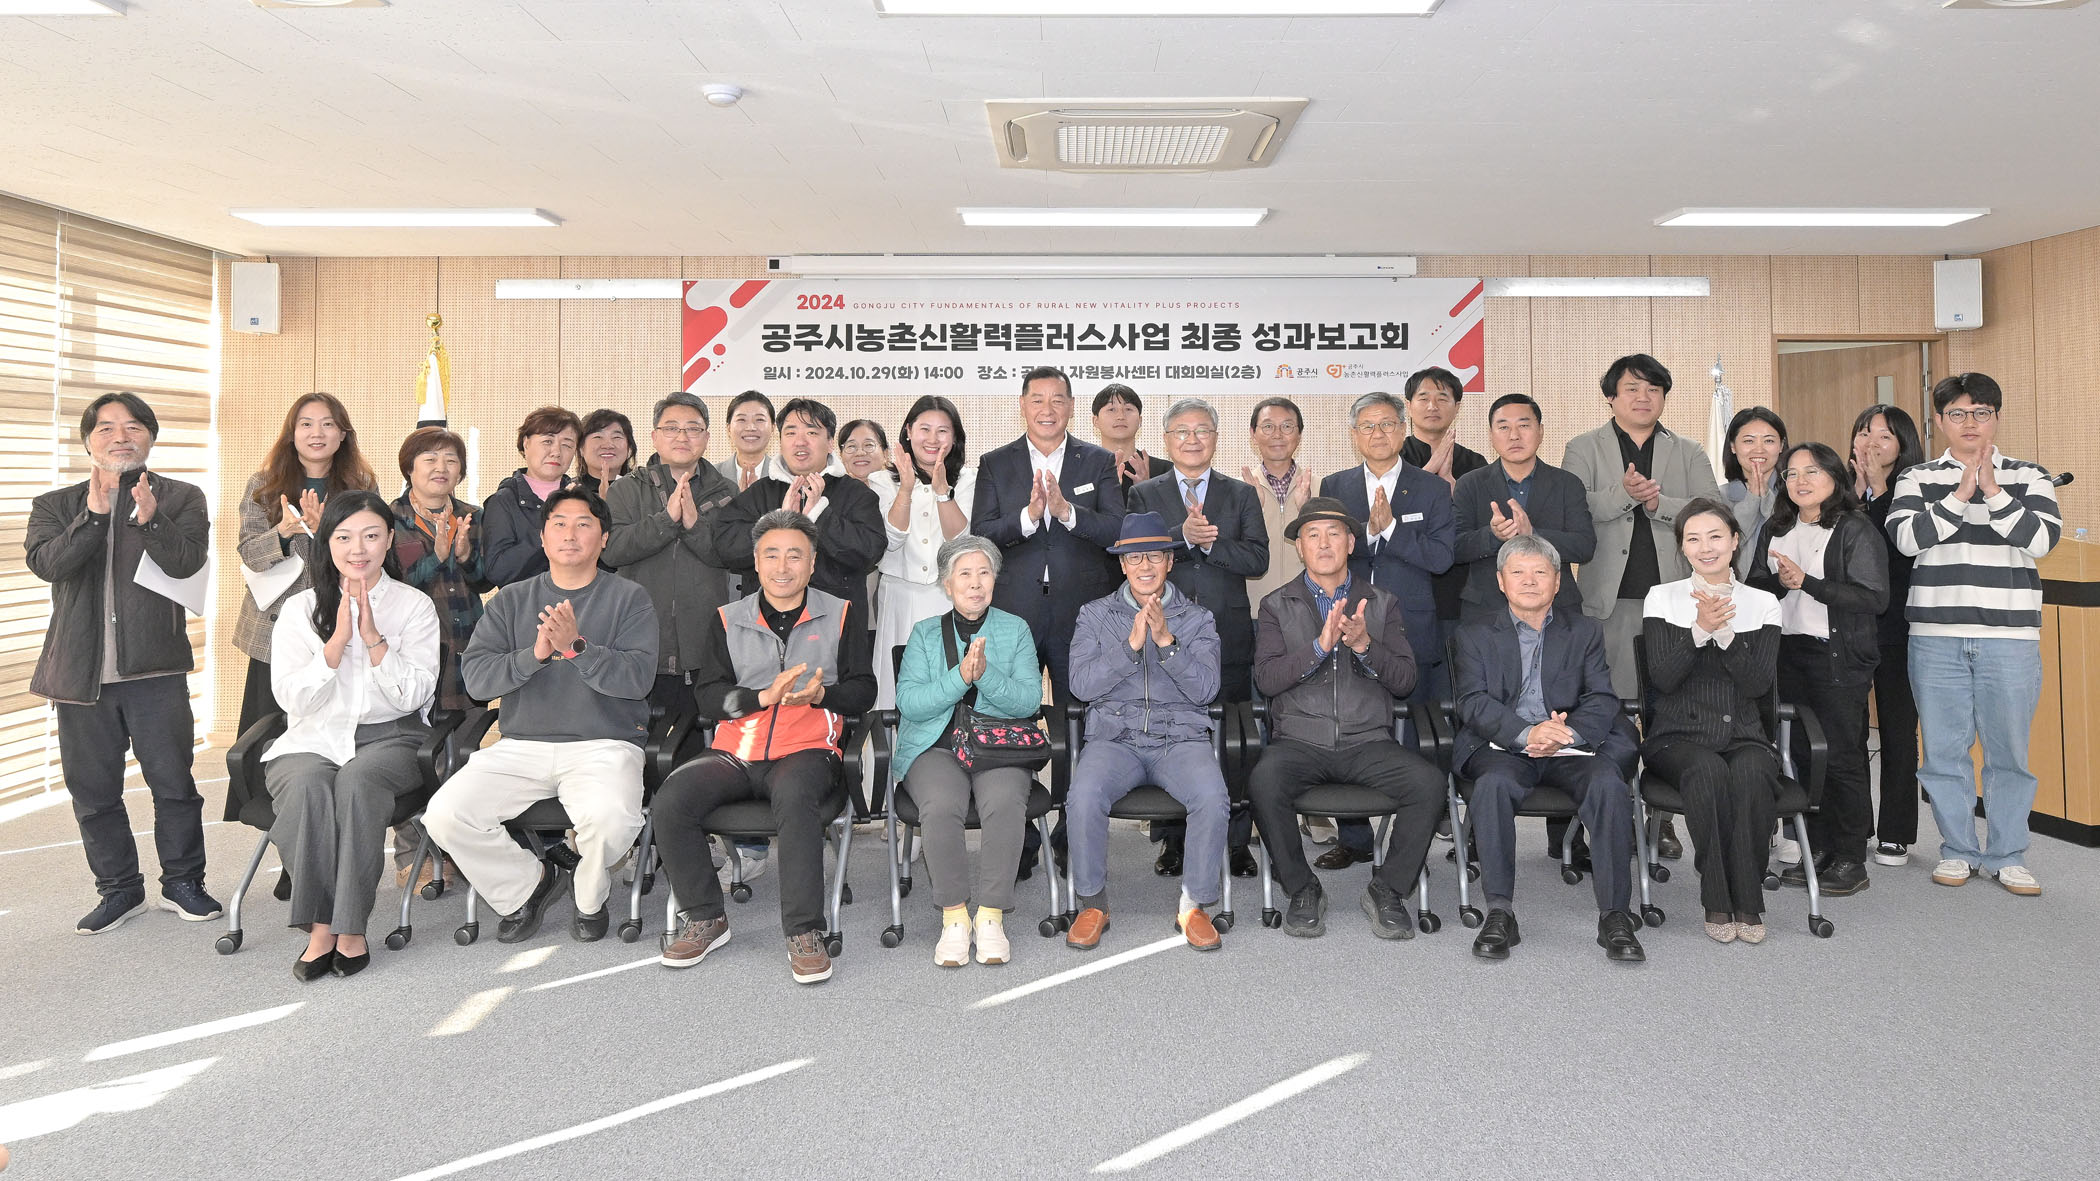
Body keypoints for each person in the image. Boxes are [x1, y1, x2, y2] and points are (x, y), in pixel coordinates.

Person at [422, 488, 658, 944]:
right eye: (559, 524)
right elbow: (478, 681)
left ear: (604, 539)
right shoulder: (510, 600)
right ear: (543, 538)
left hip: (603, 744)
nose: (570, 534)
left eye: (584, 524)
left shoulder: (630, 598)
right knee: (446, 815)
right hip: (522, 745)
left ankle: (589, 897)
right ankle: (529, 885)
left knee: (611, 820)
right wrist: (534, 655)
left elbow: (637, 679)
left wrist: (577, 648)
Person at [654, 510, 877, 984]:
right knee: (672, 797)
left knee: (795, 796)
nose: (782, 566)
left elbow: (864, 690)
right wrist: (760, 698)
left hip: (808, 748)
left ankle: (804, 931)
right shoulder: (727, 619)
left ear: (812, 563)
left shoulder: (841, 613)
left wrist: (821, 695)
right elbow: (708, 696)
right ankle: (705, 916)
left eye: (795, 555)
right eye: (771, 555)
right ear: (755, 563)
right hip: (736, 750)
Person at [27, 392, 219, 934]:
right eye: (106, 427)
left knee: (174, 784)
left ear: (150, 437)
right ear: (88, 440)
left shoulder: (182, 497)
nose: (120, 437)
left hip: (155, 670)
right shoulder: (55, 505)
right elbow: (48, 565)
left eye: (133, 427)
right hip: (80, 673)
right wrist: (93, 516)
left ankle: (183, 882)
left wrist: (152, 521)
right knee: (93, 792)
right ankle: (119, 890)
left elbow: (188, 563)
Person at [1886, 373, 2060, 897]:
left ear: (1996, 418)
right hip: (1935, 636)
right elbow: (1907, 539)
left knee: (2009, 754)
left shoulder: (2029, 476)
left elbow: (2041, 541)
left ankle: (2008, 854)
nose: (1970, 423)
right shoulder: (1916, 477)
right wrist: (1961, 494)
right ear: (1939, 420)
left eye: (1981, 412)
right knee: (1943, 752)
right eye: (1958, 413)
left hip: (2010, 638)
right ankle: (1958, 849)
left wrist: (1993, 492)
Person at [261, 491, 440, 981]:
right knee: (306, 785)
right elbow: (292, 699)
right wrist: (336, 643)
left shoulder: (414, 607)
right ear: (327, 542)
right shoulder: (299, 610)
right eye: (343, 537)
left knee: (358, 782)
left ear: (389, 541)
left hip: (393, 737)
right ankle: (323, 927)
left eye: (370, 536)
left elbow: (414, 695)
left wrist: (373, 639)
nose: (357, 548)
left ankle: (351, 927)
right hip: (314, 735)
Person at [1249, 497, 1445, 940]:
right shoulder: (1276, 605)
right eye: (1312, 535)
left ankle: (1388, 887)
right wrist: (1318, 648)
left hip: (1367, 741)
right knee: (1263, 781)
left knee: (1428, 783)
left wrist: (1364, 646)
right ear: (1300, 547)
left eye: (1334, 534)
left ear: (1351, 543)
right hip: (1300, 740)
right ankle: (1301, 887)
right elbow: (1267, 680)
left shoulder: (1381, 602)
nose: (1323, 544)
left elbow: (1406, 680)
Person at [1454, 535, 1644, 963]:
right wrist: (1527, 733)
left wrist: (1566, 734)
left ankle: (1615, 914)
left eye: (1540, 572)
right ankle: (1500, 912)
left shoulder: (1585, 631)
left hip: (1569, 746)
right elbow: (1472, 701)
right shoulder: (1474, 634)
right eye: (1518, 572)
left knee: (1608, 785)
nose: (1529, 581)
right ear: (1501, 581)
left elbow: (1601, 697)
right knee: (1493, 785)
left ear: (1557, 582)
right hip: (1504, 746)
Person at [1564, 354, 1719, 861]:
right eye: (1631, 388)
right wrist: (1624, 495)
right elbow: (1573, 507)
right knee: (1610, 713)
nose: (1642, 397)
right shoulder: (1583, 447)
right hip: (1609, 603)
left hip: (1673, 604)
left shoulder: (1688, 450)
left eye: (1653, 389)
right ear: (1611, 397)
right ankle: (1609, 816)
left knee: (1668, 714)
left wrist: (1658, 505)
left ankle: (1662, 820)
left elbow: (1712, 510)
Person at [1063, 512, 1228, 953]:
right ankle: (1092, 904)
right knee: (1082, 797)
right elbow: (1081, 686)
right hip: (1115, 738)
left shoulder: (1197, 618)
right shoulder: (1095, 615)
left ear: (1170, 562)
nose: (1145, 566)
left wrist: (1167, 643)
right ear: (1122, 565)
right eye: (1135, 558)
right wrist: (1130, 647)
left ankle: (1193, 905)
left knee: (1212, 797)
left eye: (1155, 556)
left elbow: (1206, 690)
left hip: (1180, 738)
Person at [1128, 398, 1268, 878]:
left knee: (1233, 739)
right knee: (1170, 734)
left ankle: (1237, 841)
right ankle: (1173, 841)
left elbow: (1258, 559)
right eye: (1182, 432)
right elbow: (1136, 553)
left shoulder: (1241, 493)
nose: (1192, 439)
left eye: (1202, 430)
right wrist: (1181, 536)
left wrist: (1210, 543)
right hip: (1163, 630)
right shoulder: (1144, 493)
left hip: (1228, 633)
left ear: (1216, 438)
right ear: (1167, 441)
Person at [1315, 392, 1454, 871]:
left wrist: (1392, 530)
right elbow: (1325, 554)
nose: (1379, 433)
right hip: (1347, 624)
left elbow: (1442, 557)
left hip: (1411, 629)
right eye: (1368, 426)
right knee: (1348, 731)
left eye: (1388, 424)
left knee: (1412, 738)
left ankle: (1408, 845)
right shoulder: (1335, 487)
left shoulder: (1431, 488)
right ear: (1354, 435)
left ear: (1403, 430)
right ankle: (1354, 839)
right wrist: (1368, 534)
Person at [891, 535, 1041, 967]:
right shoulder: (924, 634)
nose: (975, 583)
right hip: (934, 745)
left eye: (984, 573)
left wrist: (986, 675)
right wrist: (961, 676)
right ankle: (954, 917)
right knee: (940, 804)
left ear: (994, 580)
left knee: (1005, 800)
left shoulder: (1015, 629)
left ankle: (991, 915)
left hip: (997, 744)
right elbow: (910, 703)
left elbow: (1028, 700)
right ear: (947, 584)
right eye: (965, 574)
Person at [1640, 498, 1784, 944]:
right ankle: (1717, 898)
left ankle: (1748, 899)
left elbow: (1758, 684)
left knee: (1753, 772)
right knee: (1707, 770)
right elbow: (1663, 678)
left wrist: (1725, 634)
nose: (1706, 548)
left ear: (1735, 541)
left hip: (1743, 733)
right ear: (1683, 547)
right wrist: (1699, 629)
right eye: (1694, 539)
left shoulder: (1762, 602)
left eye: (1716, 536)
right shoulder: (1662, 597)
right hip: (1677, 736)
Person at [1749, 442, 1887, 898]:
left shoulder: (1854, 528)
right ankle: (1820, 849)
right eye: (1791, 473)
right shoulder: (1777, 527)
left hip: (1836, 656)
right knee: (1803, 755)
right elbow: (1757, 587)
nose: (1800, 481)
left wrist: (1807, 583)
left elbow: (1873, 597)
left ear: (1834, 477)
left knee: (1842, 755)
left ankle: (1851, 857)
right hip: (1785, 654)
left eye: (1812, 471)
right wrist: (1779, 583)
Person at [973, 364, 1127, 705]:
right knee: (1009, 710)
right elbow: (981, 534)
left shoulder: (1098, 461)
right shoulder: (995, 463)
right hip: (1014, 608)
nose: (1047, 410)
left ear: (1071, 406)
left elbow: (1117, 531)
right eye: (1037, 400)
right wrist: (1028, 517)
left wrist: (1067, 513)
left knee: (1079, 712)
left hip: (1081, 609)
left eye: (1057, 400)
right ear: (1022, 405)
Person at [234, 392, 378, 737]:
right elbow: (250, 554)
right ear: (292, 433)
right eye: (306, 424)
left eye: (328, 424)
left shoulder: (361, 486)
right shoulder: (263, 485)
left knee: (329, 723)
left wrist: (326, 532)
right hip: (275, 624)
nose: (317, 433)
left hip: (338, 617)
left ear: (342, 434)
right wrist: (284, 531)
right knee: (267, 729)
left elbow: (371, 552)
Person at [603, 393, 741, 717]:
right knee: (639, 742)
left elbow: (734, 556)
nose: (682, 436)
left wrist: (694, 526)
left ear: (707, 437)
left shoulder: (727, 493)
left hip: (704, 648)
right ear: (654, 436)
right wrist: (666, 521)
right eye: (671, 428)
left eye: (693, 428)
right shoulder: (625, 489)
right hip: (640, 645)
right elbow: (611, 551)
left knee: (698, 742)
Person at [709, 397, 885, 622]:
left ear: (830, 442)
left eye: (811, 433)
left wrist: (820, 516)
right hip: (766, 623)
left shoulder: (856, 493)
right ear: (780, 441)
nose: (800, 442)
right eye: (791, 433)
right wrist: (776, 522)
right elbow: (725, 547)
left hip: (836, 623)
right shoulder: (760, 492)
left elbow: (870, 552)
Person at [1848, 403, 1927, 867]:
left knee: (1898, 731)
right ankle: (1855, 825)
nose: (1871, 442)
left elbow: (1896, 551)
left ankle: (1896, 832)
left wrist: (1878, 489)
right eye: (1864, 432)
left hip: (1899, 627)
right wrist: (1859, 492)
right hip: (1848, 628)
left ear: (1903, 444)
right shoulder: (1839, 489)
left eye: (1884, 435)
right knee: (1850, 731)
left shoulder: (1915, 490)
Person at [867, 395, 975, 709]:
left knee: (947, 684)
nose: (932, 439)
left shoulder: (968, 479)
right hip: (899, 597)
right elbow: (891, 540)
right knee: (894, 687)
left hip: (948, 599)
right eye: (924, 429)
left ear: (954, 438)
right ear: (908, 432)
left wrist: (942, 491)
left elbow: (960, 542)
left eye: (942, 431)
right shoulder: (881, 480)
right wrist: (905, 488)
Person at [1453, 393, 1595, 622]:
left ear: (1541, 431)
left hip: (1558, 610)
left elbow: (1584, 546)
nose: (1514, 435)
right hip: (1487, 611)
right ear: (1491, 435)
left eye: (1524, 425)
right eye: (1503, 427)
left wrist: (1533, 534)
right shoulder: (1470, 484)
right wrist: (1493, 536)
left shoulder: (1567, 484)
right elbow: (1455, 547)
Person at [390, 427, 490, 715]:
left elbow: (484, 582)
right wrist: (436, 558)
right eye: (430, 459)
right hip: (414, 648)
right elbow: (392, 588)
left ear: (460, 472)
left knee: (469, 732)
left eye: (451, 460)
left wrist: (466, 557)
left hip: (467, 642)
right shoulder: (388, 519)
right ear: (409, 467)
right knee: (416, 734)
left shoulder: (473, 516)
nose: (441, 468)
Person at [1401, 366, 1489, 661]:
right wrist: (1428, 476)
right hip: (1406, 587)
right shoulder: (1394, 459)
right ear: (1408, 405)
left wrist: (1454, 491)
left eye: (1442, 398)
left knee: (1459, 674)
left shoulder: (1475, 463)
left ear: (1457, 407)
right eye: (1423, 398)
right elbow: (1387, 516)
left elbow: (1483, 525)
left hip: (1460, 591)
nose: (1432, 406)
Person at [483, 405, 582, 588]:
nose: (556, 452)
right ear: (526, 443)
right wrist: (549, 529)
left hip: (580, 601)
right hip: (524, 602)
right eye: (547, 441)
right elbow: (498, 571)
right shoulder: (503, 501)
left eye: (567, 445)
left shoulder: (583, 499)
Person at [1242, 396, 1314, 606]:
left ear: (1299, 434)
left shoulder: (1323, 487)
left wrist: (1307, 511)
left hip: (1310, 608)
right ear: (1253, 434)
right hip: (1254, 609)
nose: (1277, 434)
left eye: (1287, 426)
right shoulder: (1236, 490)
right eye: (1268, 426)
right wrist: (1253, 510)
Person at [1721, 407, 1788, 579]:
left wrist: (1766, 498)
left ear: (1781, 445)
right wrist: (1751, 501)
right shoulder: (1718, 497)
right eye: (1749, 441)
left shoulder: (1795, 493)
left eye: (1769, 441)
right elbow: (1723, 546)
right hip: (1737, 588)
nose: (1759, 449)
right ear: (1733, 446)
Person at [1093, 383, 1171, 491]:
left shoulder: (1166, 471)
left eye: (1128, 409)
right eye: (1112, 409)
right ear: (1095, 421)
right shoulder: (1083, 469)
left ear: (1140, 420)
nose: (1120, 416)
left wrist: (1147, 489)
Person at [718, 389, 775, 492]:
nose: (750, 427)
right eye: (741, 420)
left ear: (773, 428)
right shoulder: (711, 476)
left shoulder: (786, 476)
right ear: (728, 428)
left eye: (759, 420)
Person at [574, 407, 637, 499]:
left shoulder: (641, 491)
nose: (608, 445)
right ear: (581, 448)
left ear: (629, 449)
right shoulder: (571, 492)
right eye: (598, 437)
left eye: (616, 437)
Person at [838, 418, 894, 485]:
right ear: (841, 455)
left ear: (885, 454)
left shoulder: (901, 487)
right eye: (851, 446)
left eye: (868, 445)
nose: (860, 453)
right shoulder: (829, 489)